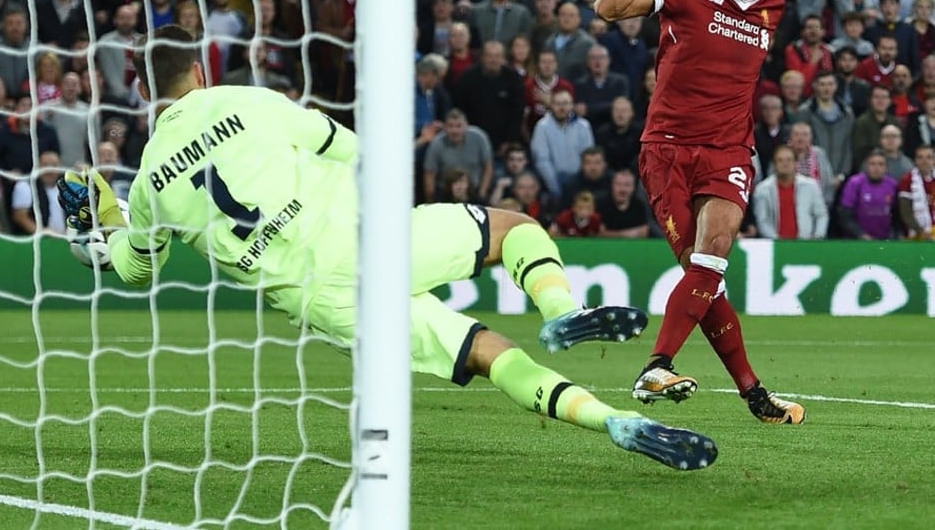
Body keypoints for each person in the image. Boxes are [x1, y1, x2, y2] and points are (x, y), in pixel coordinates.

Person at [56, 25, 718, 471]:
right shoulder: (246, 101)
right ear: (200, 71)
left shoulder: (148, 182)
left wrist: (97, 233)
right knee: (514, 228)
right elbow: (345, 147)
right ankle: (558, 313)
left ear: (142, 92)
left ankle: (614, 424)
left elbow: (137, 269)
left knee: (486, 353)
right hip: (367, 237)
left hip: (322, 298)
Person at [594, 0, 806, 424]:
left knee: (712, 256)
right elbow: (608, 7)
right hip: (666, 149)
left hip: (729, 151)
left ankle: (657, 365)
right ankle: (754, 393)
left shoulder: (776, 7)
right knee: (704, 279)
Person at [752, 145, 829, 240]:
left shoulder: (811, 186)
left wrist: (817, 237)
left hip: (806, 245)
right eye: (780, 160)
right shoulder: (762, 190)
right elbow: (762, 220)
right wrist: (777, 241)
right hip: (775, 245)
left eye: (789, 160)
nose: (785, 164)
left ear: (796, 163)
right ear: (775, 164)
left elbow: (821, 214)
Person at [838, 150, 899, 240]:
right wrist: (860, 234)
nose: (876, 168)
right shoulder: (855, 183)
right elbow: (845, 215)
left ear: (886, 168)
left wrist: (894, 235)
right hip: (858, 240)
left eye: (880, 164)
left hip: (885, 241)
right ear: (866, 166)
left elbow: (897, 216)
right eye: (872, 164)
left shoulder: (893, 185)